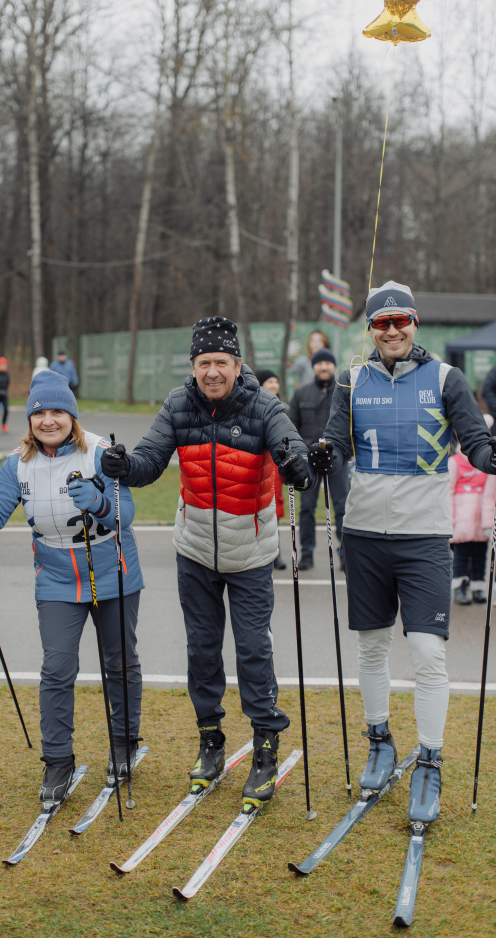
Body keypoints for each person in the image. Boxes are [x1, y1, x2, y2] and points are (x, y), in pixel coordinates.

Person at [101, 317, 316, 807]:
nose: (212, 371)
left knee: (253, 651)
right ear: (193, 367)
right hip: (195, 549)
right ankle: (211, 741)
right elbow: (149, 461)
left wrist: (297, 464)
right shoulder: (179, 404)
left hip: (250, 552)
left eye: (221, 362)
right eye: (204, 363)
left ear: (237, 366)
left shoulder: (264, 405)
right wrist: (122, 465)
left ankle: (265, 746)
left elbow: (292, 452)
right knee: (201, 650)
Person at [309, 281, 496, 824]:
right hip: (364, 534)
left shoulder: (446, 378)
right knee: (371, 648)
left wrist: (490, 457)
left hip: (424, 538)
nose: (392, 331)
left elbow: (474, 443)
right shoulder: (351, 378)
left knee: (429, 654)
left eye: (401, 321)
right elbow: (334, 443)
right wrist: (322, 455)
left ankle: (431, 758)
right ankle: (380, 741)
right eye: (381, 323)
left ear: (415, 323)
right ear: (370, 329)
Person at [0, 370, 144, 801]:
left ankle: (124, 742)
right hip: (57, 577)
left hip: (112, 570)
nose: (48, 420)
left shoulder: (98, 452)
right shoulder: (17, 464)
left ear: (71, 416)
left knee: (119, 662)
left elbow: (126, 512)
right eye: (39, 412)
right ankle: (58, 760)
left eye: (58, 411)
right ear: (30, 419)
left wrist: (99, 502)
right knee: (57, 669)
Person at [287, 348, 350, 572]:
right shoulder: (302, 393)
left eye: (328, 363)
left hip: (337, 459)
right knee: (306, 508)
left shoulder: (343, 393)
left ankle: (345, 554)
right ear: (313, 367)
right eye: (319, 363)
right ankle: (306, 554)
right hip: (308, 461)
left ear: (334, 366)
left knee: (343, 507)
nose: (324, 367)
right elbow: (291, 426)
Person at [449, 414, 496, 605]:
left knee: (480, 557)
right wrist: (450, 517)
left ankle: (478, 587)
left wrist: (488, 522)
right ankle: (460, 587)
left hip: (480, 520)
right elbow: (449, 491)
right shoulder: (455, 462)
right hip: (461, 520)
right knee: (461, 556)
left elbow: (489, 495)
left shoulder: (485, 462)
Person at [256, 370, 288, 570]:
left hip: (276, 465)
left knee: (274, 509)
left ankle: (275, 552)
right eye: (270, 381)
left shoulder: (284, 408)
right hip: (259, 462)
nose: (274, 385)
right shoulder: (254, 407)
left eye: (277, 381)